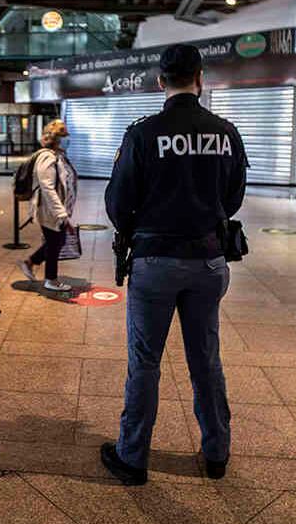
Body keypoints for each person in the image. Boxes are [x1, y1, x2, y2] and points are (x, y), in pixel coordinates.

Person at [102, 43, 247, 486]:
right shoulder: (226, 132)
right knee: (206, 359)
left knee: (145, 362)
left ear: (160, 81)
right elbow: (234, 198)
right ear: (200, 79)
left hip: (154, 262)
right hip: (208, 261)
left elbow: (117, 203)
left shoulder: (143, 133)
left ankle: (132, 457)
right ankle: (217, 452)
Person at [17, 119, 78, 292]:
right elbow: (47, 188)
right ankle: (51, 279)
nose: (67, 139)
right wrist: (62, 215)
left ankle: (30, 262)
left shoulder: (58, 155)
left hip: (55, 209)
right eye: (64, 136)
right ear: (56, 139)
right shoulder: (47, 157)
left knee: (56, 241)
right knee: (55, 243)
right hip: (48, 210)